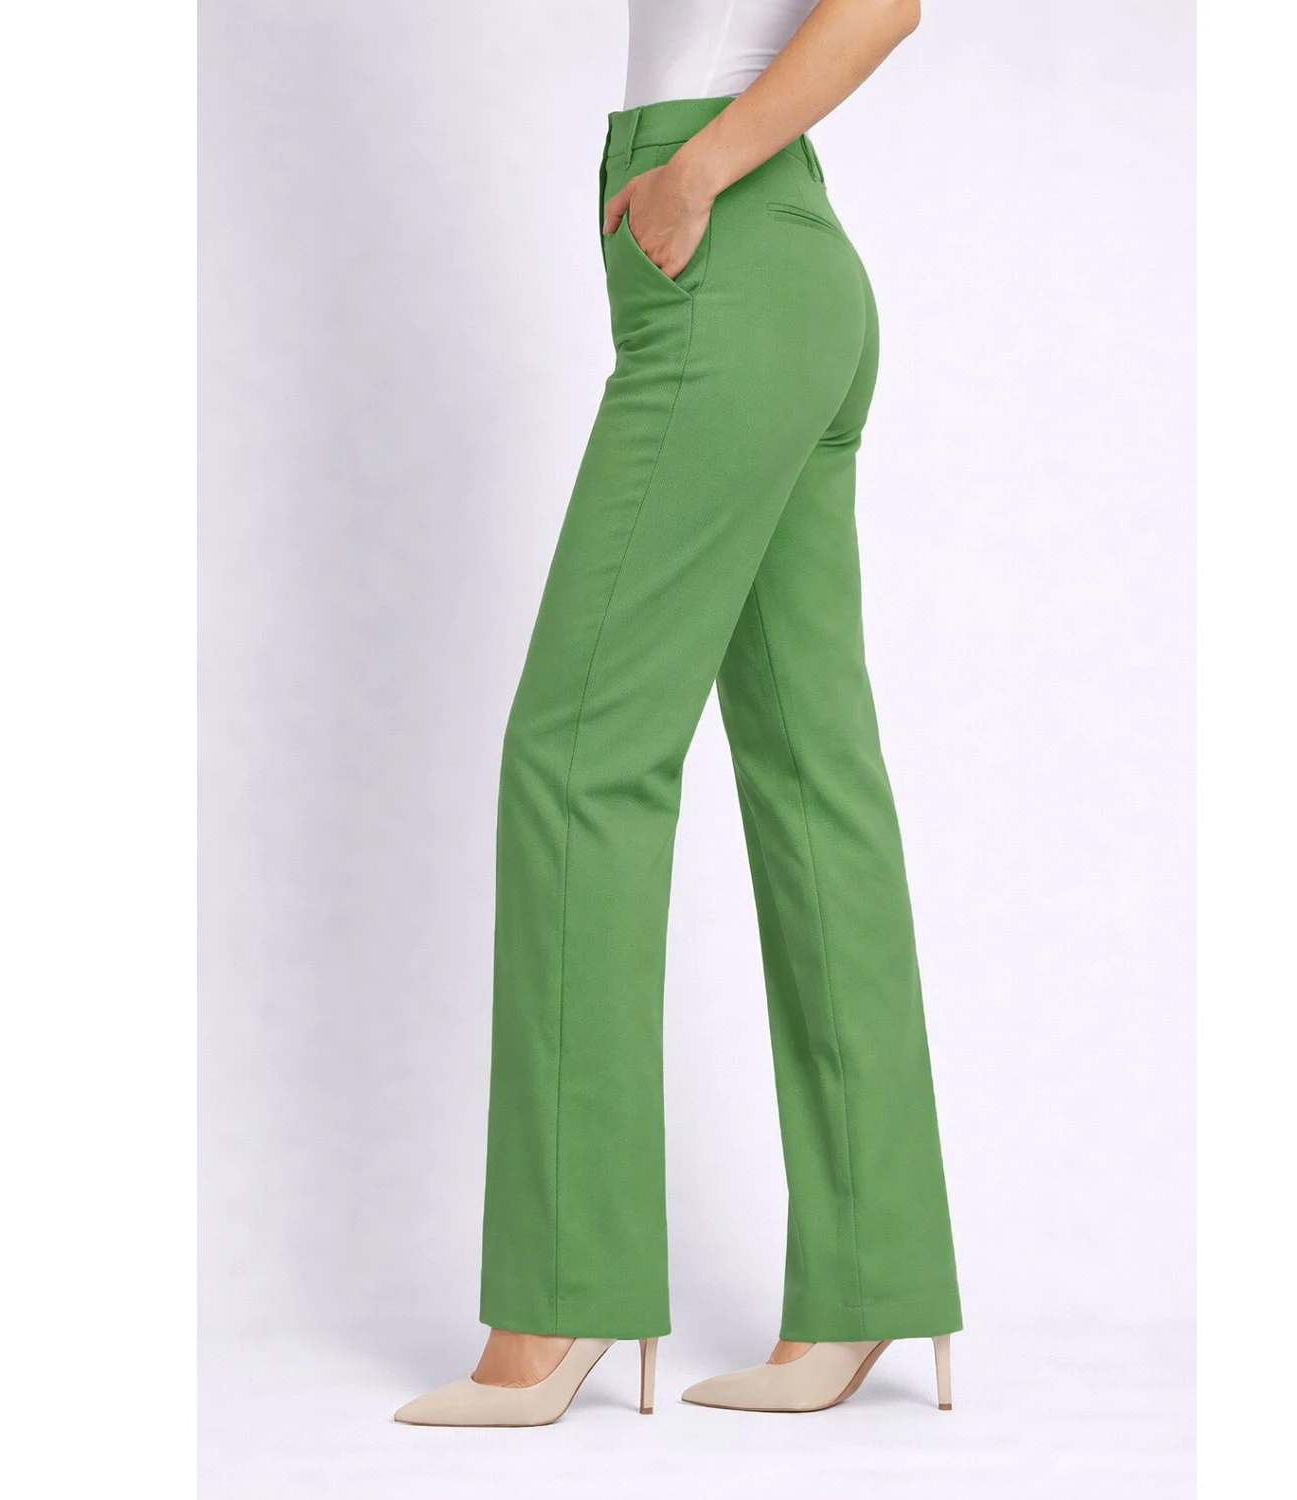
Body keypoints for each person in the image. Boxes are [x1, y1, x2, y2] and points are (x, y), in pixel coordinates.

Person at [394, 0, 962, 1427]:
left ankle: (559, 1298)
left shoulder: (709, 186)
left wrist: (696, 169)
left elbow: (884, 2)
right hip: (783, 269)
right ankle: (871, 1281)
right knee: (816, 784)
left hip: (728, 250)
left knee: (579, 761)